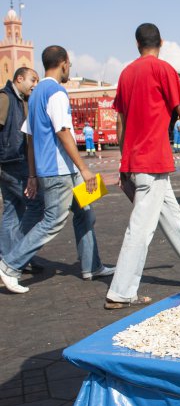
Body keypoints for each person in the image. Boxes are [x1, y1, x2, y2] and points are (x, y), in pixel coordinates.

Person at [104, 23, 180, 309]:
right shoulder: (163, 70)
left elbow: (120, 121)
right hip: (153, 161)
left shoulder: (126, 74)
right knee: (141, 229)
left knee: (171, 218)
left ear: (137, 44)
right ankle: (120, 292)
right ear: (161, 41)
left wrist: (125, 164)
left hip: (138, 161)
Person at [0, 46, 114, 294]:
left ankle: (91, 266)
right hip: (61, 171)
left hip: (59, 170)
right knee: (52, 221)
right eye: (69, 65)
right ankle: (9, 265)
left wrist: (32, 174)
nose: (69, 69)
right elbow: (63, 132)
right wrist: (85, 169)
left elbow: (30, 140)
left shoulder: (36, 93)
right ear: (64, 63)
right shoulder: (57, 92)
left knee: (86, 211)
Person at [0, 67, 45, 268]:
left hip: (11, 161)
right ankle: (17, 257)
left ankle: (8, 256)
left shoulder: (20, 99)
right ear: (19, 79)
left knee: (12, 210)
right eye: (32, 80)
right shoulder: (5, 98)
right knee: (36, 205)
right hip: (12, 162)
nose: (35, 85)